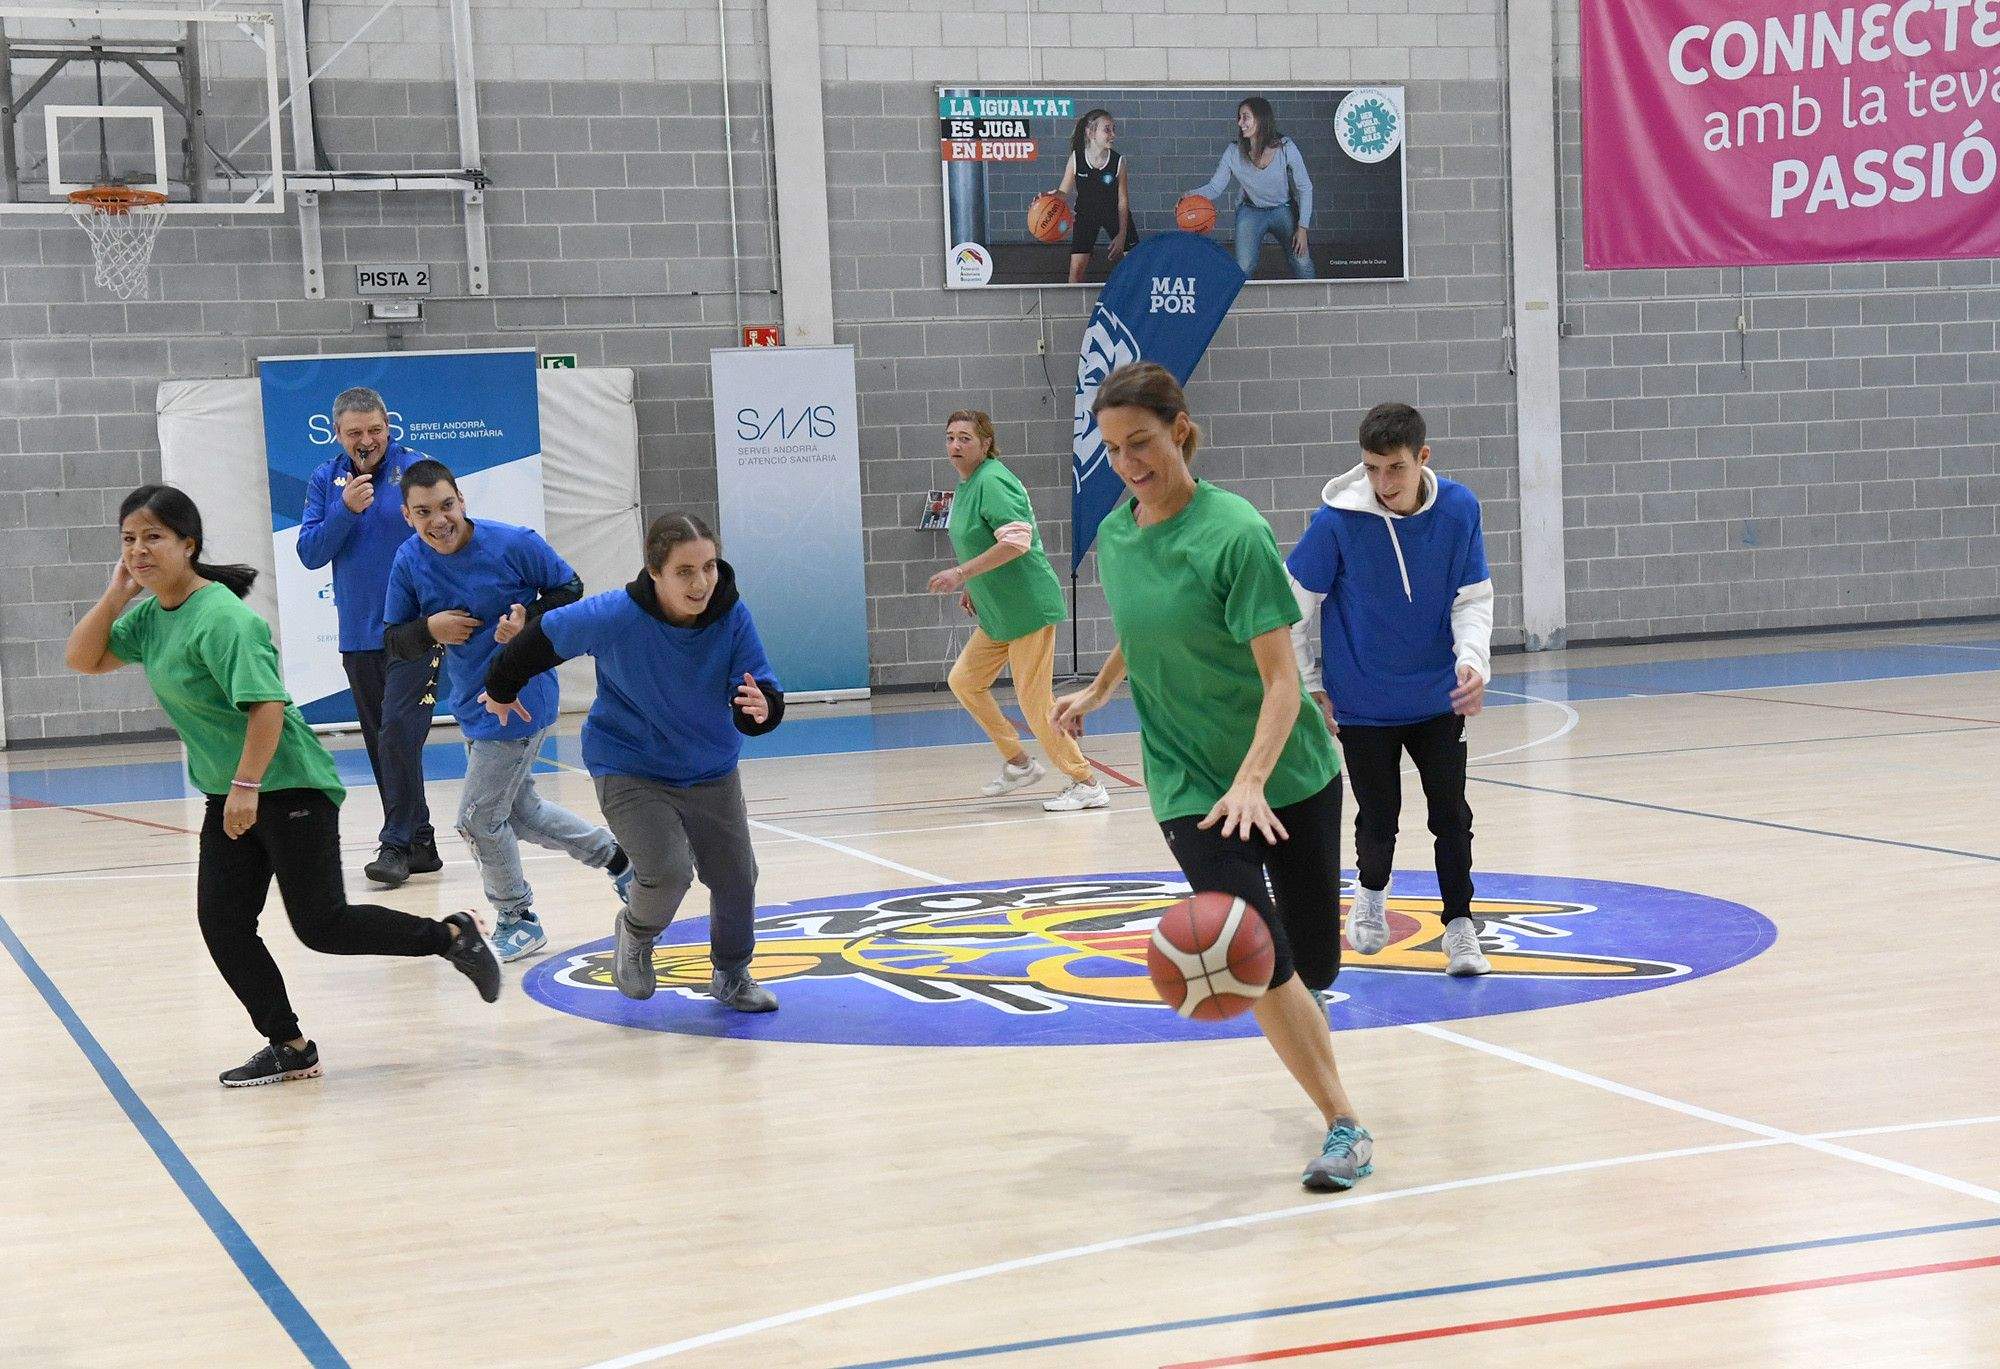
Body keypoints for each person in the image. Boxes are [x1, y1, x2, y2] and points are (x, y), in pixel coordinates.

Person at [1052, 363, 1370, 1192]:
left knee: (1311, 964)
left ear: (1181, 429)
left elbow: (1279, 681)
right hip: (1190, 783)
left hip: (1287, 773)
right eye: (1114, 449)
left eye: (1143, 443)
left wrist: (1255, 778)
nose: (1129, 463)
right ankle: (1345, 1123)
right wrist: (1100, 686)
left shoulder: (1236, 533)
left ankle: (1309, 1012)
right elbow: (1144, 620)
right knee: (1252, 955)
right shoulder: (1117, 536)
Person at [65, 485, 500, 1088]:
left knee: (322, 925)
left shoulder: (223, 619)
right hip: (232, 790)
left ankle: (453, 936)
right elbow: (83, 659)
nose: (139, 550)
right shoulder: (149, 618)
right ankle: (290, 1046)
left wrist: (247, 785)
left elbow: (267, 708)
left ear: (188, 545)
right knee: (223, 924)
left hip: (287, 784)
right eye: (129, 540)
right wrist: (116, 595)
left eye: (153, 537)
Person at [483, 513, 785, 1012]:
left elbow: (761, 691)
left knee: (736, 878)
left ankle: (732, 974)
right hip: (629, 765)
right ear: (655, 572)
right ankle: (636, 933)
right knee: (667, 872)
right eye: (685, 571)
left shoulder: (732, 615)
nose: (702, 582)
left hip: (710, 768)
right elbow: (540, 638)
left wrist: (761, 709)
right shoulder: (616, 614)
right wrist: (500, 688)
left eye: (709, 566)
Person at [382, 459, 632, 962]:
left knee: (477, 819)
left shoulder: (513, 543)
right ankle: (620, 861)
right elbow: (394, 641)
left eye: (447, 505)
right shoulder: (409, 562)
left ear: (462, 501)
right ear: (408, 516)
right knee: (521, 813)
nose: (439, 520)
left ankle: (518, 916)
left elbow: (570, 589)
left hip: (520, 699)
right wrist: (430, 630)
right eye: (424, 511)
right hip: (473, 702)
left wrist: (529, 620)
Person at [1286, 402, 1494, 978]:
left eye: (1395, 468)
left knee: (1451, 815)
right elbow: (1291, 607)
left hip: (1437, 698)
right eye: (1373, 468)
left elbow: (1472, 598)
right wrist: (1310, 685)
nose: (1383, 483)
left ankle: (1460, 928)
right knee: (1379, 816)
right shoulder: (1335, 522)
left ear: (1422, 458)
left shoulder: (1459, 510)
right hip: (1363, 704)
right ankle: (1371, 892)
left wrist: (1474, 662)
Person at [295, 386, 442, 889]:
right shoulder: (325, 479)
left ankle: (397, 843)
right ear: (338, 434)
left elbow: (447, 532)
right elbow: (311, 553)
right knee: (386, 741)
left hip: (415, 630)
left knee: (399, 734)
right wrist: (344, 509)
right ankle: (421, 841)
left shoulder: (417, 470)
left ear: (388, 427)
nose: (367, 440)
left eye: (375, 430)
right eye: (355, 433)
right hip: (359, 632)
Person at [928, 411, 1108, 813]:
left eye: (965, 439)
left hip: (1026, 608)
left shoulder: (992, 480)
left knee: (1034, 702)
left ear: (986, 444)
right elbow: (980, 541)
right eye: (950, 438)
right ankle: (1018, 762)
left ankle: (1087, 782)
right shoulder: (968, 484)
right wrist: (976, 587)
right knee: (965, 680)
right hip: (998, 612)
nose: (955, 446)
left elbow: (1017, 540)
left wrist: (961, 574)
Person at [1186, 96, 1316, 279]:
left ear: (1261, 118)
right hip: (1251, 211)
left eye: (1245, 117)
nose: (1240, 123)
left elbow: (1305, 188)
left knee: (1302, 262)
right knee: (1243, 268)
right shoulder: (1233, 152)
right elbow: (1215, 188)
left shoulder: (1286, 147)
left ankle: (1317, 305)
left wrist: (1302, 228)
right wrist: (1188, 196)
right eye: (1239, 118)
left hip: (1283, 210)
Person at [1050, 107, 1133, 285]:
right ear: (1090, 132)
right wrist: (1046, 199)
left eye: (1113, 129)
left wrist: (1122, 234)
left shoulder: (1118, 161)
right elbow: (1063, 193)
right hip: (1087, 216)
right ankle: (1072, 310)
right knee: (1076, 273)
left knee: (1137, 266)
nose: (1113, 134)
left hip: (1114, 215)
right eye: (1107, 129)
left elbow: (1123, 201)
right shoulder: (1076, 158)